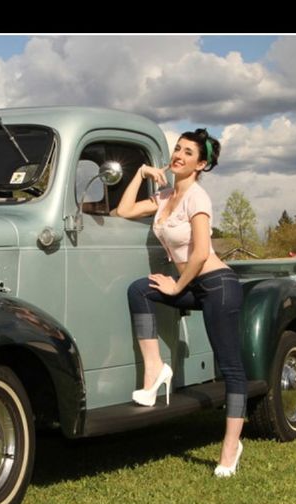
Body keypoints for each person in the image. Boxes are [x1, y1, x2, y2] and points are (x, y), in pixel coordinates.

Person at [115, 129, 246, 478]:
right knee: (139, 290)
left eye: (189, 153)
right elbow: (123, 210)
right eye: (177, 149)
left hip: (217, 284)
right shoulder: (164, 196)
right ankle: (155, 369)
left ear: (200, 164)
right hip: (193, 283)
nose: (179, 155)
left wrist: (176, 288)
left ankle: (231, 447)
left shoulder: (197, 198)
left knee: (230, 366)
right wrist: (141, 173)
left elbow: (201, 253)